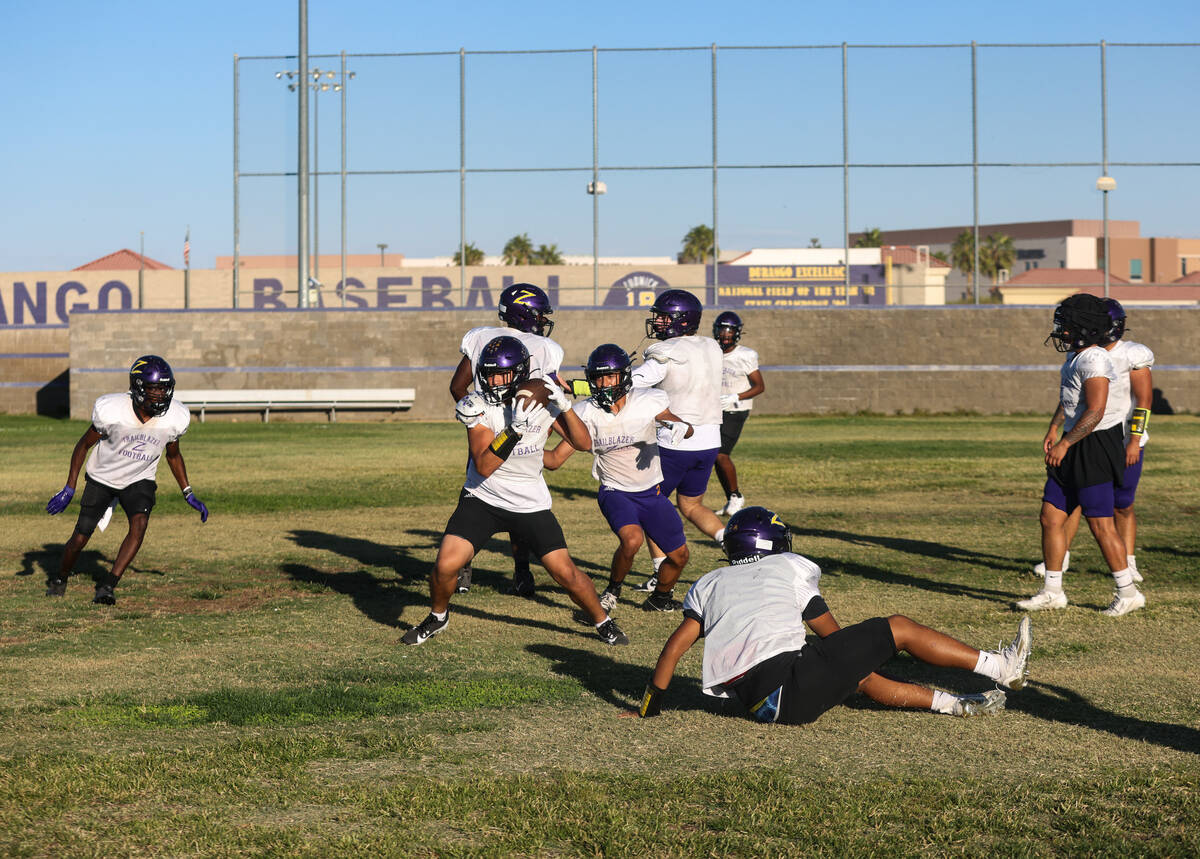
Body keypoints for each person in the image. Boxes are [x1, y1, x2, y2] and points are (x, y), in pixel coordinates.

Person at [638, 506, 1032, 723]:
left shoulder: (709, 582)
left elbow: (673, 650)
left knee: (855, 672)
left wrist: (648, 708)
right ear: (773, 544)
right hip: (790, 686)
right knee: (899, 628)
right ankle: (1001, 667)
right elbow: (831, 635)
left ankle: (957, 705)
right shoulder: (788, 566)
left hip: (762, 704)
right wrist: (861, 649)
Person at [403, 335, 628, 647]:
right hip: (484, 498)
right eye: (489, 373)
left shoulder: (541, 405)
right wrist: (513, 430)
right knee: (445, 566)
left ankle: (602, 621)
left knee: (566, 574)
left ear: (519, 375)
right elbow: (483, 465)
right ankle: (438, 616)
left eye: (501, 375)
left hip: (529, 502)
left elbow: (583, 443)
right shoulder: (479, 407)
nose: (493, 381)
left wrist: (564, 407)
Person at [1018, 293, 1146, 617]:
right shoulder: (1076, 357)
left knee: (1101, 524)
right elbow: (1071, 400)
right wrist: (1053, 429)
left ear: (1085, 328)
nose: (1060, 330)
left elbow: (1096, 411)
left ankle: (1128, 592)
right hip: (1074, 442)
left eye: (1066, 324)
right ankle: (1052, 590)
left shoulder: (1094, 359)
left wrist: (1066, 443)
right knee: (1051, 516)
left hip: (1094, 445)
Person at [43, 355, 208, 605]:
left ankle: (108, 585)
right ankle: (60, 577)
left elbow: (173, 456)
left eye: (164, 387)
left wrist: (188, 491)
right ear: (139, 387)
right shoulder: (113, 410)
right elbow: (82, 446)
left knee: (139, 524)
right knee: (81, 536)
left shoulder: (174, 417)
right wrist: (69, 486)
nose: (160, 394)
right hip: (103, 476)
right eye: (154, 388)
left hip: (139, 477)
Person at [545, 343, 694, 613]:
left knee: (680, 556)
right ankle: (612, 589)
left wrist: (680, 426)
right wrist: (522, 453)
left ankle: (660, 597)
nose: (604, 384)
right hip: (616, 491)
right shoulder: (586, 412)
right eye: (598, 377)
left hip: (651, 492)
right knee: (632, 539)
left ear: (624, 376)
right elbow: (555, 459)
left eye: (610, 376)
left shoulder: (647, 401)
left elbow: (677, 422)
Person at [449, 282, 566, 597]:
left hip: (488, 425)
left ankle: (462, 566)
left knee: (475, 487)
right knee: (519, 501)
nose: (543, 321)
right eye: (539, 315)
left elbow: (458, 386)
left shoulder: (481, 338)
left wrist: (477, 416)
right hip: (524, 427)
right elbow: (554, 391)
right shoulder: (545, 348)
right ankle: (522, 572)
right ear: (526, 314)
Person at [630, 289, 726, 592]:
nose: (657, 321)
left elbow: (633, 382)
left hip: (677, 441)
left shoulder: (667, 351)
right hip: (710, 438)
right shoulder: (711, 346)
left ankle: (662, 573)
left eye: (662, 316)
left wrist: (595, 380)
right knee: (692, 504)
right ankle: (736, 546)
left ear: (680, 320)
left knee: (649, 505)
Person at [711, 311, 765, 516]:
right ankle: (731, 497)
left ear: (737, 332)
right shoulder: (712, 352)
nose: (725, 334)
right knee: (712, 455)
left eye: (729, 330)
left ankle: (735, 496)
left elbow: (759, 386)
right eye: (722, 330)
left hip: (735, 410)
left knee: (721, 454)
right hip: (714, 409)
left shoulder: (746, 355)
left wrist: (736, 397)